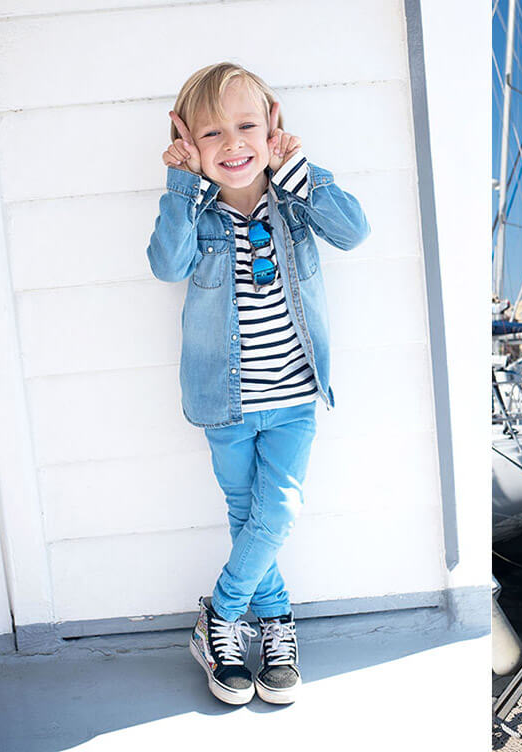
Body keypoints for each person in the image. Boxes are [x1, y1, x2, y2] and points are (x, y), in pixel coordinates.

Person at [146, 62, 369, 705]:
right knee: (248, 516)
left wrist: (296, 169)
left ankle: (220, 615)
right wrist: (180, 181)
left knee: (278, 512)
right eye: (212, 134)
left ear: (274, 126)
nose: (234, 144)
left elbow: (353, 231)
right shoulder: (197, 208)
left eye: (247, 126)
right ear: (186, 138)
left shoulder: (295, 203)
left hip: (295, 396)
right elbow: (167, 263)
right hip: (225, 401)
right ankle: (273, 623)